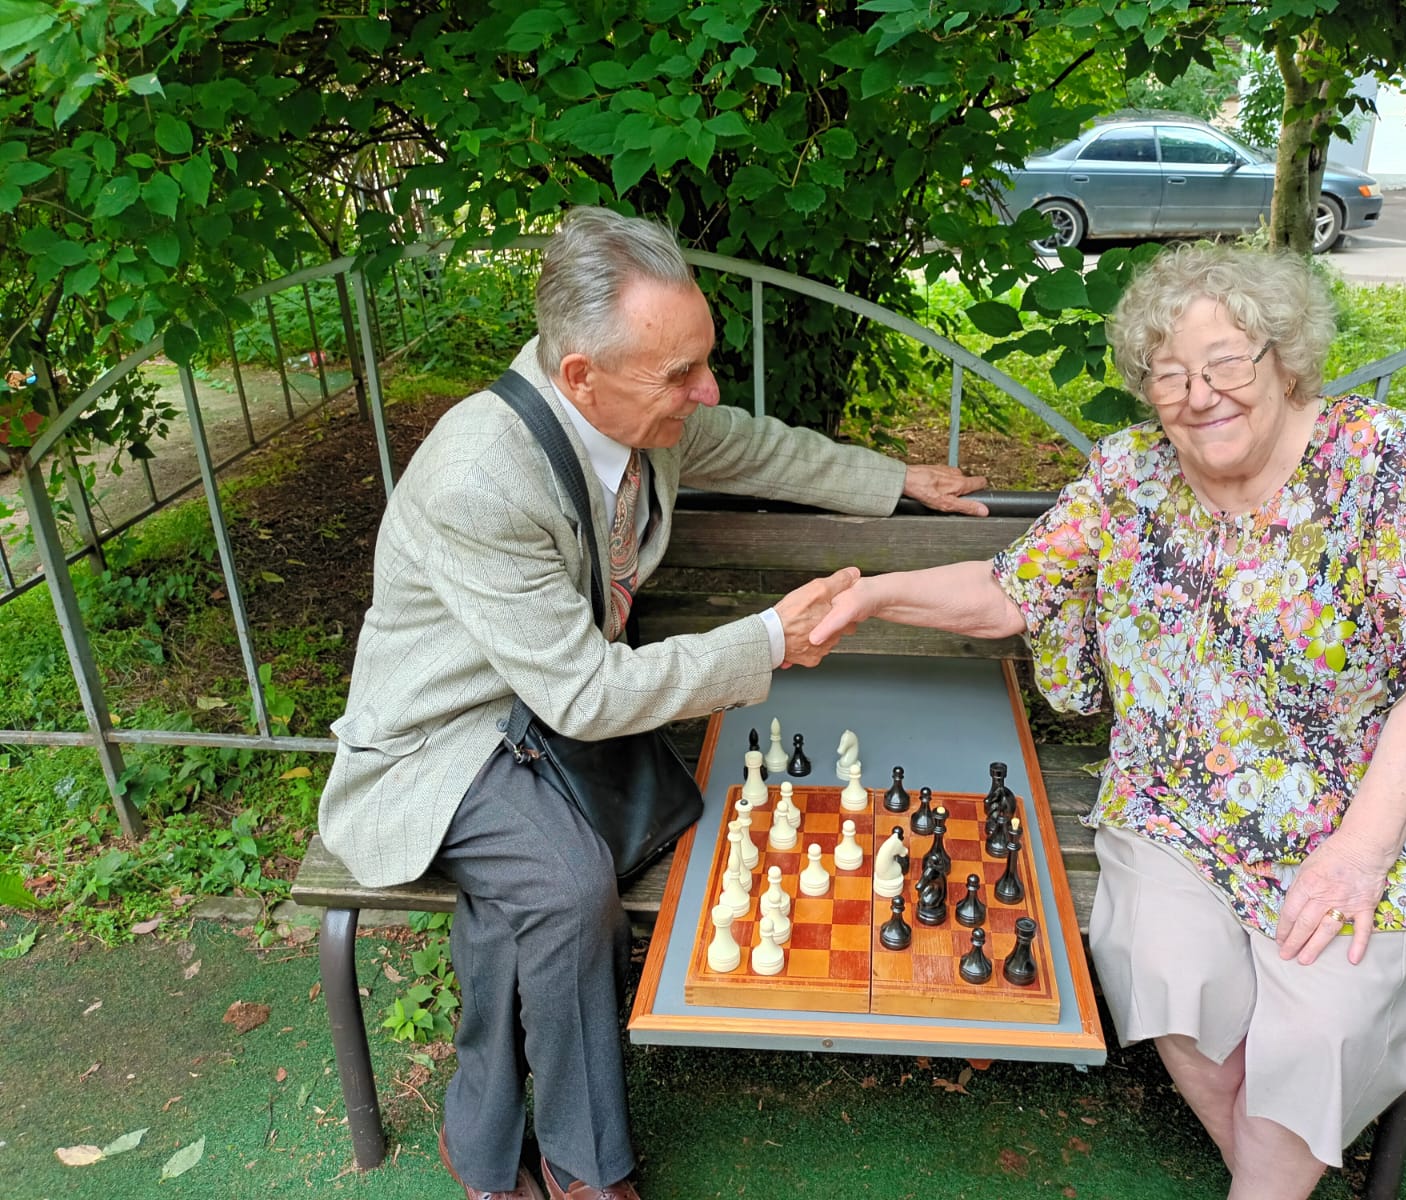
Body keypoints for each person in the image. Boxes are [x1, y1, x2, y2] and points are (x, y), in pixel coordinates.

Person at [317, 206, 986, 1200]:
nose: (704, 390)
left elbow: (755, 447)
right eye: (681, 374)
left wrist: (896, 480)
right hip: (446, 741)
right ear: (580, 373)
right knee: (564, 890)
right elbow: (587, 690)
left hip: (552, 721)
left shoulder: (642, 418)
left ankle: (481, 1132)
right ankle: (590, 1172)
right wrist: (769, 641)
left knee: (546, 887)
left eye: (703, 361)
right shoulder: (479, 476)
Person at [811, 242, 1406, 1199]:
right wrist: (870, 594)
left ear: (1284, 361)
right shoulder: (1131, 474)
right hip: (1174, 803)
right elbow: (1008, 594)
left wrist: (1359, 852)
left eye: (1226, 364)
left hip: (1354, 812)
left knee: (1321, 1028)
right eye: (1170, 375)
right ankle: (1269, 1167)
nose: (1199, 394)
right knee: (1168, 976)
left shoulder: (1378, 459)